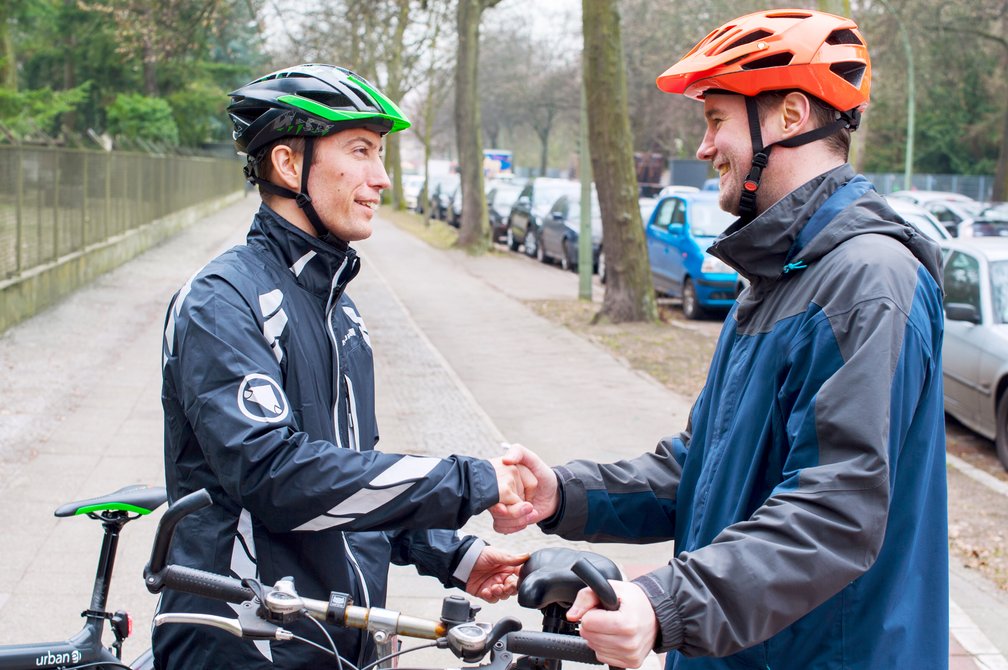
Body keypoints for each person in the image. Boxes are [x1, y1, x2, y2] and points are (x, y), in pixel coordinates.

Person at [493, 10, 948, 669]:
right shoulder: (780, 276)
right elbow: (704, 467)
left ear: (790, 115)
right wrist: (564, 493)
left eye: (715, 119)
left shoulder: (865, 282)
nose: (704, 148)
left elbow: (835, 512)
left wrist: (664, 603)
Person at [155, 64, 534, 669]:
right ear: (287, 164)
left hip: (335, 636)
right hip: (243, 642)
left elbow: (351, 485)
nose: (381, 178)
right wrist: (469, 481)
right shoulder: (221, 301)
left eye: (380, 155)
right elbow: (277, 478)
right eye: (361, 151)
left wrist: (455, 557)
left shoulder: (341, 312)